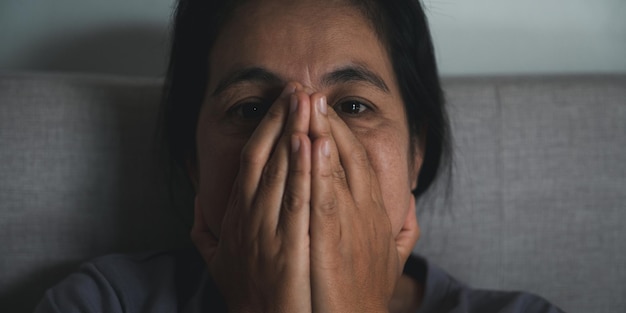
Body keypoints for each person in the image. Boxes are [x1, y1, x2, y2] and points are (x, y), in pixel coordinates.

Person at [35, 0, 564, 312]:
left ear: (416, 151)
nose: (307, 146)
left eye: (354, 105)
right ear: (192, 159)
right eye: (249, 109)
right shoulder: (101, 303)